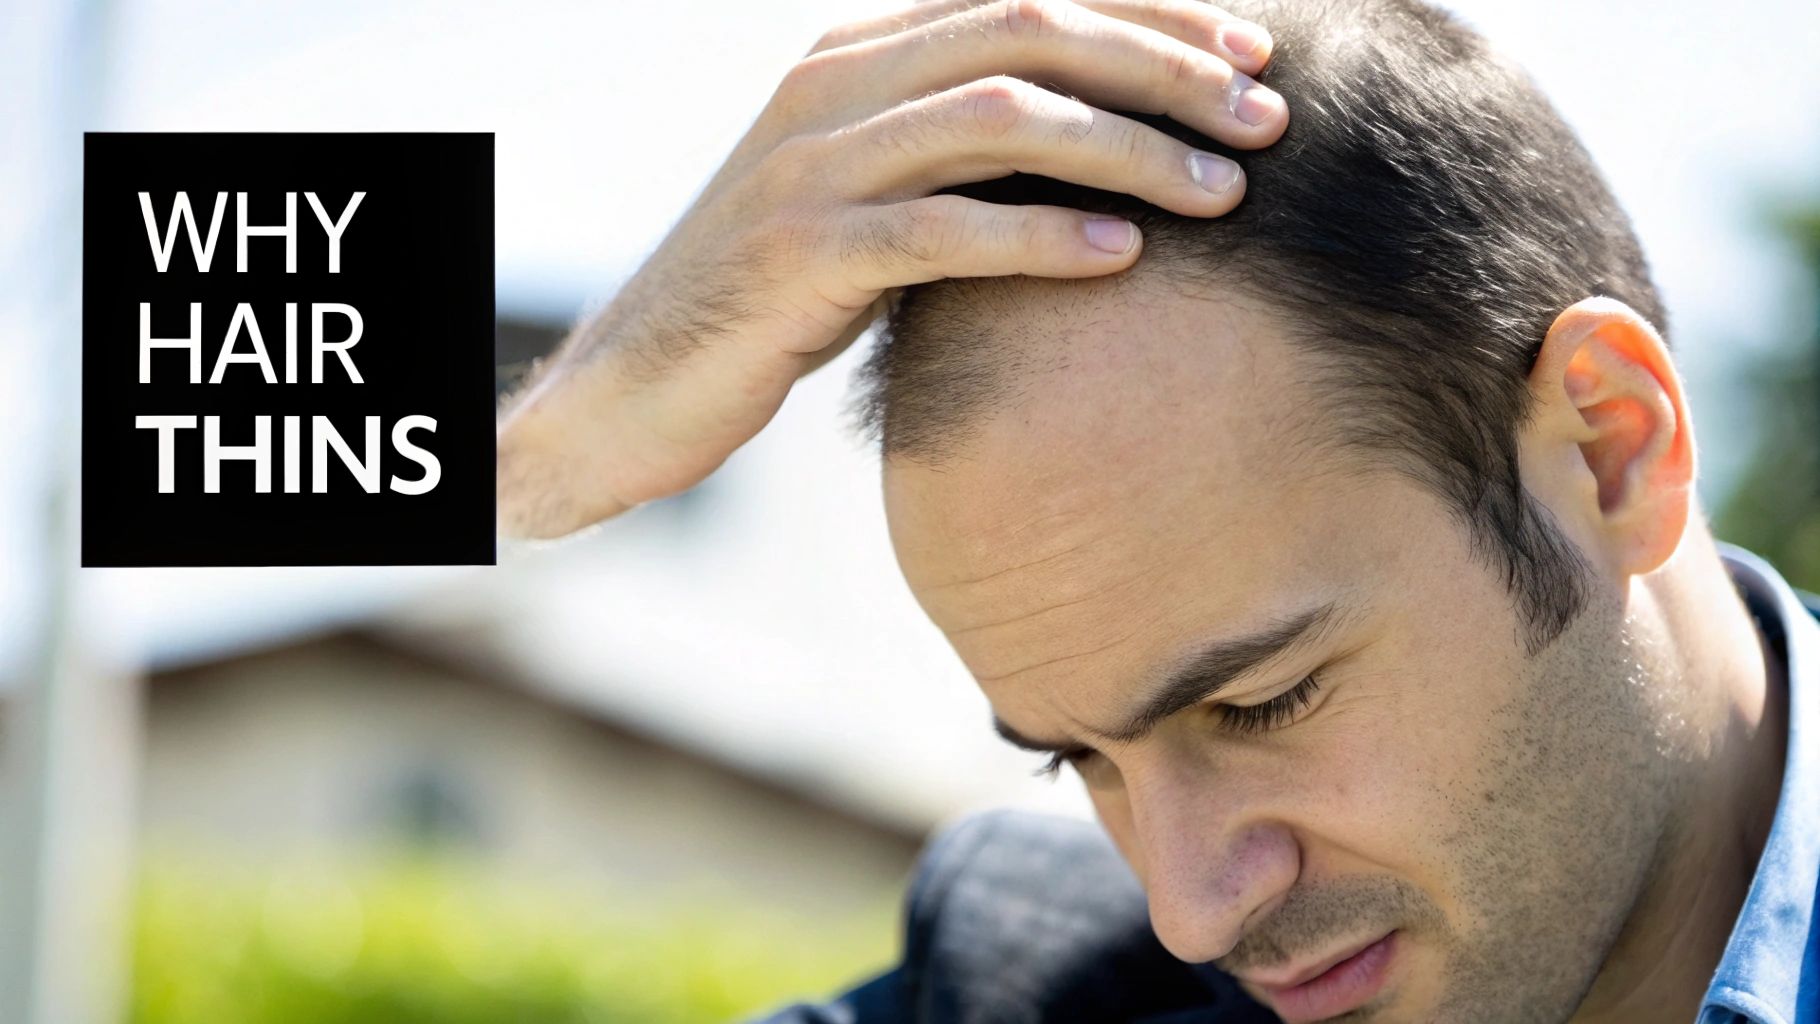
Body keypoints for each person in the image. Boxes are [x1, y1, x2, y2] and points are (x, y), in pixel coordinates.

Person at [494, 0, 1819, 1019]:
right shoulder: (1032, 991)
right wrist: (536, 459)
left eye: (1262, 703)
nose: (1193, 912)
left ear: (1610, 450)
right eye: (1082, 759)